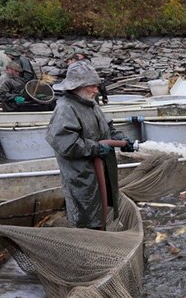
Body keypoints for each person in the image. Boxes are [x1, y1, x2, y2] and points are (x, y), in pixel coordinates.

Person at [46, 62, 136, 230]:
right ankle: (88, 241)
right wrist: (95, 148)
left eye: (96, 86)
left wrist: (123, 141)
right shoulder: (65, 108)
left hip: (101, 168)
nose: (96, 90)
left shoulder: (91, 104)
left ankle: (101, 231)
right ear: (77, 87)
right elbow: (65, 143)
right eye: (92, 86)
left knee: (103, 206)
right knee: (85, 213)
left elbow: (107, 129)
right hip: (82, 174)